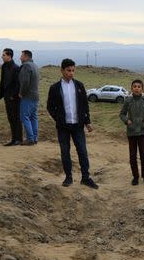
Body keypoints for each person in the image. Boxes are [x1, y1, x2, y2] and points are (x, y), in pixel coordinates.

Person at [46, 59, 98, 188]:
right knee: (65, 151)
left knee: (82, 151)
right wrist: (58, 119)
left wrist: (87, 122)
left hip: (78, 125)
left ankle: (85, 177)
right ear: (62, 70)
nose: (71, 73)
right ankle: (68, 177)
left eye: (73, 70)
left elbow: (84, 106)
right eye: (68, 70)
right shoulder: (55, 88)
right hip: (63, 126)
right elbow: (50, 107)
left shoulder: (79, 86)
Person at [119, 79, 144, 186]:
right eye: (134, 86)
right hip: (131, 132)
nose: (136, 88)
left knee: (143, 156)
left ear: (142, 89)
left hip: (142, 132)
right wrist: (127, 121)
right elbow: (122, 114)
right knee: (132, 156)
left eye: (139, 87)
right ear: (131, 89)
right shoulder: (128, 100)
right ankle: (135, 177)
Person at [0, 48, 22, 146]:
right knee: (10, 117)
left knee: (16, 118)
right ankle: (13, 139)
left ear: (9, 56)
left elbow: (18, 84)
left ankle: (18, 139)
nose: (2, 56)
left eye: (3, 55)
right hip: (7, 96)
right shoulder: (4, 66)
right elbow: (3, 80)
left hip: (14, 97)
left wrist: (13, 95)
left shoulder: (16, 68)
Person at [19, 49, 40, 145]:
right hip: (35, 95)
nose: (20, 57)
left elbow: (25, 82)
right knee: (33, 117)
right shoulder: (35, 65)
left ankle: (30, 139)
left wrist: (21, 93)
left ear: (26, 57)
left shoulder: (26, 66)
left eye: (22, 56)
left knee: (25, 117)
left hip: (27, 96)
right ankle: (35, 138)